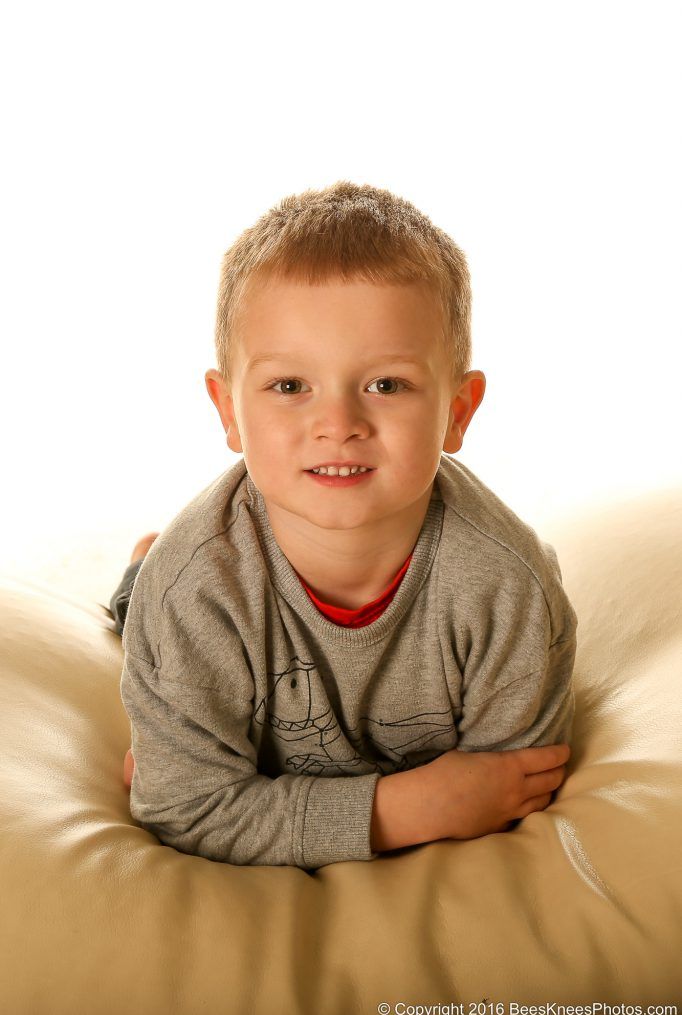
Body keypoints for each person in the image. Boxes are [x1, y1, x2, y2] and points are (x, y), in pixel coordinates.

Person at [112, 180, 576, 869]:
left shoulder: (507, 587)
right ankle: (137, 576)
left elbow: (509, 791)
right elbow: (188, 809)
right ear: (228, 411)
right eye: (290, 386)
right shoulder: (194, 592)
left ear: (458, 410)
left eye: (386, 385)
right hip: (199, 592)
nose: (338, 426)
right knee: (150, 599)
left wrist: (259, 804)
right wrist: (402, 810)